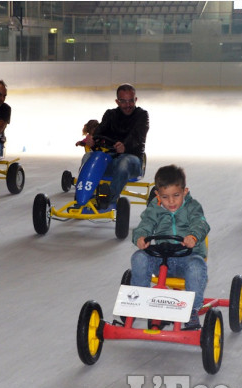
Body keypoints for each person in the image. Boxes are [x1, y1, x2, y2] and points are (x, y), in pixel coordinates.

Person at [130, 165, 210, 330]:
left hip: (186, 258)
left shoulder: (192, 207)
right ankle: (139, 301)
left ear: (185, 191)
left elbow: (200, 223)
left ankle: (191, 311)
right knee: (138, 257)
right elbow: (144, 225)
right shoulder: (155, 208)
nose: (171, 201)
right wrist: (140, 237)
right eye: (165, 197)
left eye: (176, 195)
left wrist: (193, 236)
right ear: (158, 195)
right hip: (161, 260)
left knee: (196, 266)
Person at [78, 83, 149, 210]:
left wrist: (125, 147)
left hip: (133, 161)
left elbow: (138, 137)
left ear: (135, 100)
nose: (128, 105)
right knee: (88, 157)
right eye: (123, 101)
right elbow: (100, 132)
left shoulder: (142, 115)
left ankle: (108, 199)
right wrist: (93, 141)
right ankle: (84, 199)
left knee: (124, 161)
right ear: (117, 101)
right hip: (110, 158)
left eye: (130, 101)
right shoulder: (110, 114)